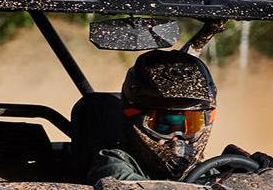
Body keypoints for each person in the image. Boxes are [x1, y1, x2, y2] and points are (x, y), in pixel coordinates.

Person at [86, 48, 218, 182]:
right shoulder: (113, 167)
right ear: (135, 119)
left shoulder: (206, 171)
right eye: (164, 125)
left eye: (191, 124)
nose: (177, 138)